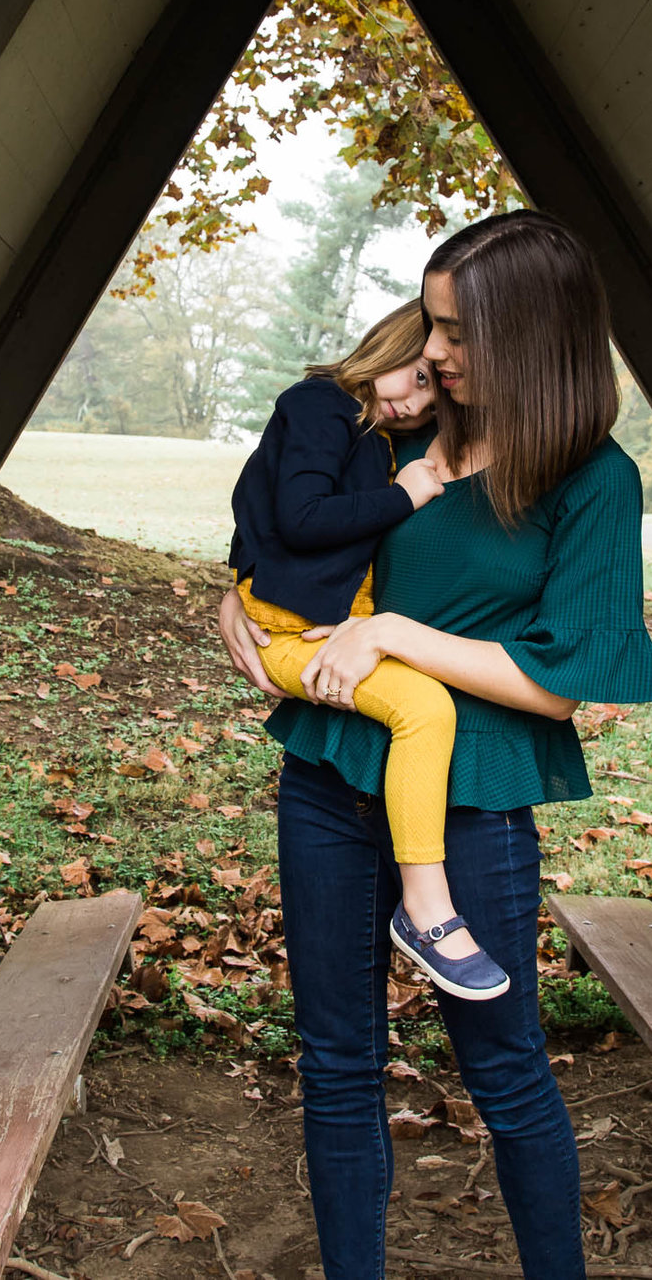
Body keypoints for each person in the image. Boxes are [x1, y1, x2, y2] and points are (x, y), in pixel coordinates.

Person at [218, 210, 652, 1280]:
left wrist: (395, 633)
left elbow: (557, 681)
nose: (434, 350)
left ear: (531, 335)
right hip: (330, 771)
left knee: (504, 1067)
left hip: (473, 795)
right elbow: (289, 528)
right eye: (431, 322)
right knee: (335, 1060)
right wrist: (235, 605)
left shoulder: (592, 481)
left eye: (459, 330)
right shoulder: (395, 434)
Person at [227, 303, 510, 999]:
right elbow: (298, 516)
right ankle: (426, 909)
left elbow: (255, 503)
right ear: (385, 344)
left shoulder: (369, 429)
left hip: (315, 626)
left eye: (426, 399)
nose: (410, 403)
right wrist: (402, 497)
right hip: (286, 635)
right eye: (413, 375)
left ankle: (423, 905)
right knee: (423, 708)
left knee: (422, 707)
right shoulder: (325, 405)